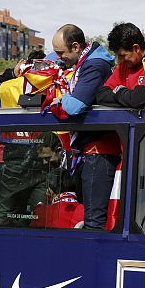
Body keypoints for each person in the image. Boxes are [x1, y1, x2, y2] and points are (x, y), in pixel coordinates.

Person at [98, 22, 145, 232]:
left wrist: (120, 92)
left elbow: (140, 99)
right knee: (144, 229)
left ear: (136, 48)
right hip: (132, 163)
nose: (120, 61)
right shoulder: (125, 66)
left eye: (123, 55)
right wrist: (125, 94)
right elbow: (101, 94)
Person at [50, 23, 117, 229]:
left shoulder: (94, 66)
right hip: (92, 151)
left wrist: (60, 99)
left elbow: (75, 106)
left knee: (93, 222)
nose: (58, 58)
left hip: (99, 152)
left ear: (77, 47)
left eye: (61, 53)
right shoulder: (85, 62)